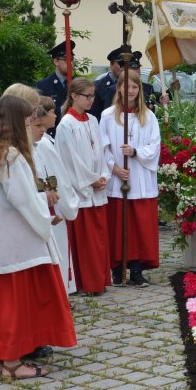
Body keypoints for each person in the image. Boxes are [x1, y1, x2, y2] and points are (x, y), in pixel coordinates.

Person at [0, 95, 76, 379]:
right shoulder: (11, 157)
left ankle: (8, 358)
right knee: (14, 305)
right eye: (27, 121)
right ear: (17, 122)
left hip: (5, 241)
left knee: (7, 304)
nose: (30, 126)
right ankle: (11, 362)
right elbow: (23, 200)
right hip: (17, 244)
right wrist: (46, 214)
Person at [101, 71, 161, 287]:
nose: (131, 91)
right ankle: (117, 270)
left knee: (138, 227)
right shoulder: (108, 116)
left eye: (135, 87)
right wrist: (115, 168)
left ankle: (136, 270)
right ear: (119, 89)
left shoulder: (149, 116)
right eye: (127, 87)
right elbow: (103, 147)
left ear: (139, 90)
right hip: (119, 180)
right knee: (119, 226)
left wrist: (135, 152)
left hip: (141, 179)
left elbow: (154, 147)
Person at [55, 78, 111, 296]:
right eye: (87, 96)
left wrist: (103, 175)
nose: (91, 100)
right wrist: (90, 180)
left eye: (93, 96)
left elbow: (100, 153)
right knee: (86, 242)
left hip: (97, 186)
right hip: (82, 190)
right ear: (74, 96)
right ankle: (87, 282)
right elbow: (70, 161)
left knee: (98, 240)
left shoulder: (93, 120)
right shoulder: (66, 125)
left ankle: (99, 279)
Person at [31, 103, 80, 296]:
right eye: (51, 111)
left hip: (51, 199)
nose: (55, 114)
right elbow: (49, 174)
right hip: (48, 203)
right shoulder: (40, 144)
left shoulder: (44, 141)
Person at [35, 41, 76, 135]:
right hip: (52, 135)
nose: (70, 63)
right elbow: (39, 114)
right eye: (66, 60)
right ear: (56, 61)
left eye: (72, 59)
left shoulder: (77, 84)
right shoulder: (43, 85)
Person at [89, 47, 123, 120]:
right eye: (121, 63)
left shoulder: (131, 87)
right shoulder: (98, 86)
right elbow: (94, 115)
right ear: (111, 64)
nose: (124, 67)